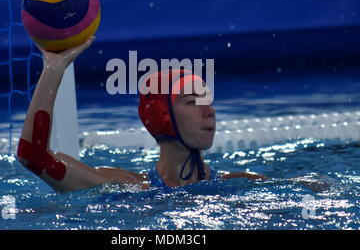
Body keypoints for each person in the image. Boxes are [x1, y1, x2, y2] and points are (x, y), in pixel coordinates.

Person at [17, 37, 267, 193]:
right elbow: (34, 156)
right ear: (161, 116)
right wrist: (53, 69)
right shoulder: (124, 187)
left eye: (209, 102)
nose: (209, 111)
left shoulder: (244, 184)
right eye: (192, 102)